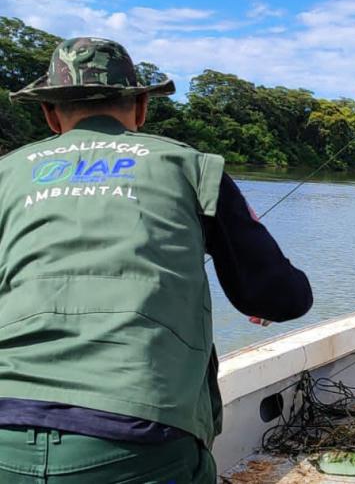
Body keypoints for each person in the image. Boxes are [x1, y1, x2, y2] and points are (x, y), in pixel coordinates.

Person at [0, 38, 313, 482]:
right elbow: (283, 298)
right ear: (142, 106)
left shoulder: (6, 174)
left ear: (50, 114)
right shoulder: (188, 165)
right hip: (140, 438)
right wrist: (258, 292)